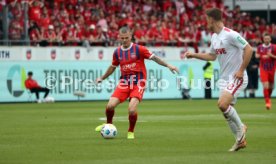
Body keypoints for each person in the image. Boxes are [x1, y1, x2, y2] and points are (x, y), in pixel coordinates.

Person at [185, 8, 253, 152]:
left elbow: (249, 49)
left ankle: (241, 128)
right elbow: (212, 56)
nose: (205, 22)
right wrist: (193, 55)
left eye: (206, 19)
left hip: (236, 77)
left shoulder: (231, 34)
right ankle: (239, 140)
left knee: (222, 104)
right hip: (225, 79)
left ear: (212, 20)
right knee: (227, 110)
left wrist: (241, 70)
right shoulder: (215, 37)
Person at [95, 26, 179, 139]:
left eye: (126, 38)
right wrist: (102, 77)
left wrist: (168, 65)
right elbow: (113, 67)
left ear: (131, 36)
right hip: (124, 83)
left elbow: (155, 58)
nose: (124, 40)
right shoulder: (117, 52)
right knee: (110, 106)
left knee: (131, 109)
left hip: (138, 82)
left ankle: (130, 131)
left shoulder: (139, 49)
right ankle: (109, 125)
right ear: (119, 37)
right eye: (122, 38)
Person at [256, 34, 276, 110]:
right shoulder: (260, 47)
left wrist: (271, 55)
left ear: (270, 39)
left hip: (272, 68)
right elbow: (256, 55)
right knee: (266, 85)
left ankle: (268, 98)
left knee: (271, 86)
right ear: (263, 39)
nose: (266, 40)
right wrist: (260, 56)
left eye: (268, 38)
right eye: (265, 38)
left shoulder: (274, 47)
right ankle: (267, 102)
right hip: (263, 69)